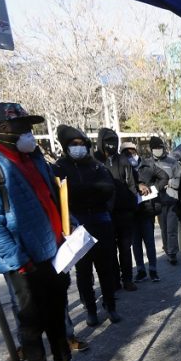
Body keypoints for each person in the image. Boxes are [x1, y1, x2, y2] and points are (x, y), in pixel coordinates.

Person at [0, 102, 98, 361]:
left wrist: (70, 226)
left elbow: (54, 197)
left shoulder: (35, 159)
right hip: (24, 262)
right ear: (1, 129)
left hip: (54, 253)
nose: (29, 133)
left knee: (57, 314)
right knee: (31, 323)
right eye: (22, 127)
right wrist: (18, 260)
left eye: (29, 127)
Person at [53, 125, 122, 327]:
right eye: (74, 144)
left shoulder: (96, 166)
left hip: (102, 222)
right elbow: (61, 195)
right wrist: (91, 191)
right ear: (66, 146)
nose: (79, 147)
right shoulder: (59, 168)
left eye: (82, 144)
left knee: (106, 269)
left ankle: (110, 306)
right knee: (84, 272)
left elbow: (108, 188)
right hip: (78, 226)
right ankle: (90, 309)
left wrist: (81, 191)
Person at [94, 128, 139, 291]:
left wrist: (133, 205)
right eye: (108, 141)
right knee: (109, 250)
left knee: (125, 249)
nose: (111, 145)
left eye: (114, 141)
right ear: (100, 142)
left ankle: (127, 279)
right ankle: (114, 280)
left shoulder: (123, 160)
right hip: (104, 214)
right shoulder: (94, 161)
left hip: (124, 212)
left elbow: (132, 184)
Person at [121, 141, 168, 283]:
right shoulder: (122, 168)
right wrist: (137, 186)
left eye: (132, 152)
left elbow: (164, 177)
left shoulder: (148, 165)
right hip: (131, 212)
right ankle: (141, 271)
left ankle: (153, 270)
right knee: (136, 244)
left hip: (147, 210)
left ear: (136, 152)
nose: (130, 156)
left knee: (149, 242)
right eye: (126, 154)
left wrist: (153, 189)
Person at [149, 136, 181, 266]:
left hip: (172, 200)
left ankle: (172, 253)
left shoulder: (172, 162)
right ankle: (167, 250)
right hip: (158, 202)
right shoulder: (148, 163)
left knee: (171, 229)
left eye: (160, 147)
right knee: (163, 229)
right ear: (151, 149)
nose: (158, 150)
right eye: (155, 148)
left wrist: (170, 182)